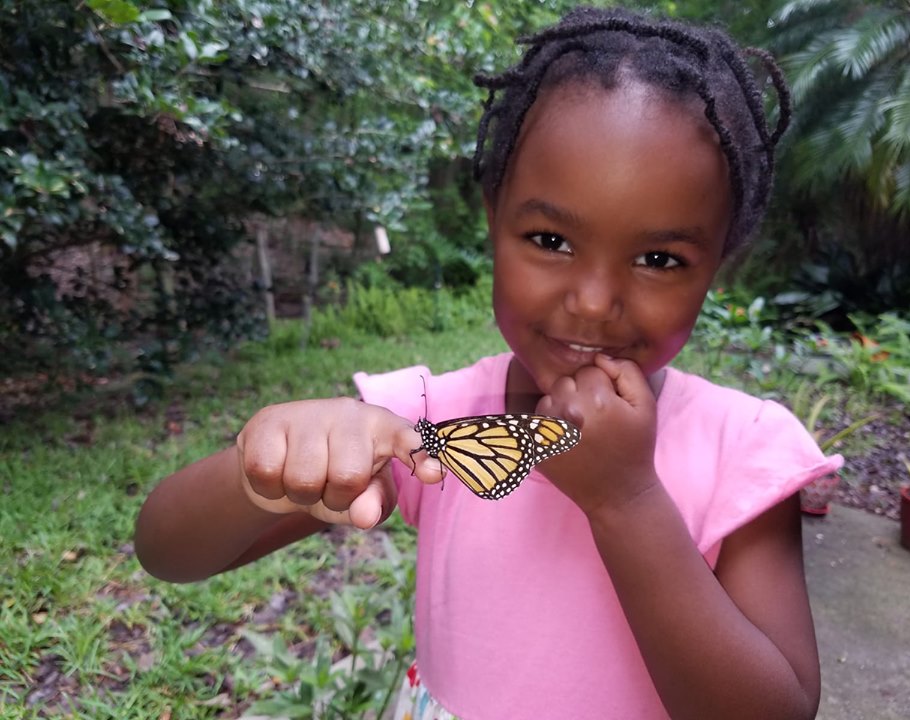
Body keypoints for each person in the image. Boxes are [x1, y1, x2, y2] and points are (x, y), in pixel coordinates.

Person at [135, 7, 843, 719]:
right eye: (550, 239)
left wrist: (626, 502)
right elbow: (168, 551)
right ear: (492, 217)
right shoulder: (426, 425)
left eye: (659, 259)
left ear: (720, 261)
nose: (594, 302)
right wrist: (261, 466)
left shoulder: (743, 454)